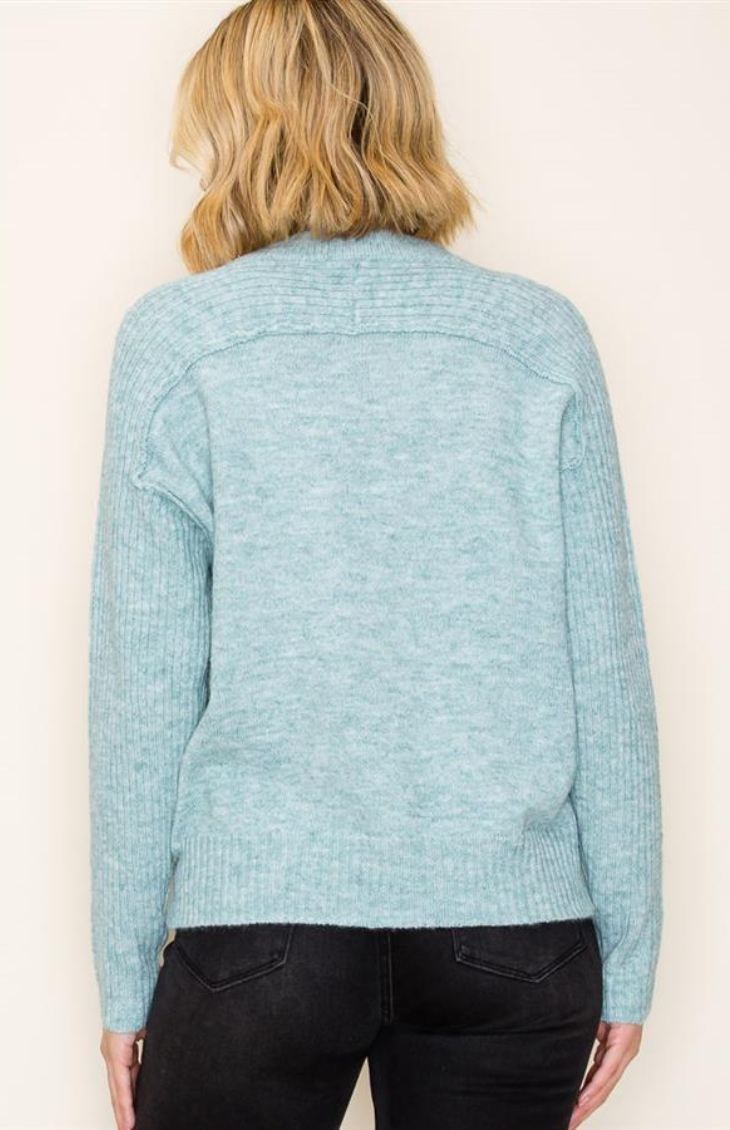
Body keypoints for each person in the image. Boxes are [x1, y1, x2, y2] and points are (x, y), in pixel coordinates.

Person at [88, 1, 663, 1128]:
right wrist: (631, 956)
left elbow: (142, 691)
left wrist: (121, 973)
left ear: (239, 129)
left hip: (260, 934)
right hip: (514, 938)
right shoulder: (536, 338)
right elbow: (606, 667)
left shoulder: (183, 341)